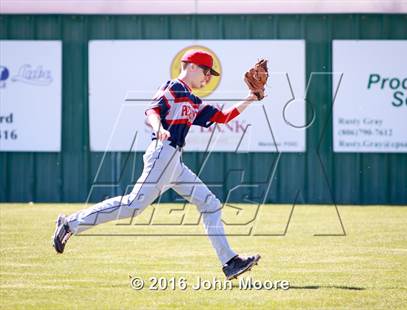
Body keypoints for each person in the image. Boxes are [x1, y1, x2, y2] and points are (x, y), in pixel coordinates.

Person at [53, 50, 261, 280]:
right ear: (191, 66)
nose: (208, 78)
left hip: (175, 162)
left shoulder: (193, 100)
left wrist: (251, 97)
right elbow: (153, 109)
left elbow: (223, 117)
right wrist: (158, 127)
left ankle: (230, 262)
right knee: (133, 206)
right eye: (205, 71)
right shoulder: (174, 87)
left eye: (210, 74)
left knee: (210, 203)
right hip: (163, 153)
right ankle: (70, 224)